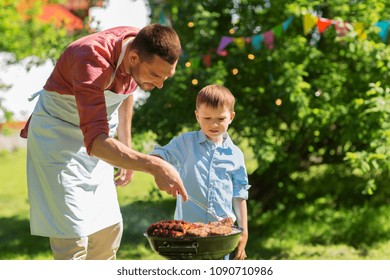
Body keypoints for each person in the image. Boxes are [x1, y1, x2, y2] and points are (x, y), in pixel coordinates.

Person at [20, 23, 188, 260]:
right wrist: (154, 165)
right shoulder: (90, 59)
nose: (160, 84)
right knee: (73, 238)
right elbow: (97, 143)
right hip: (57, 141)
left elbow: (129, 88)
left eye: (166, 77)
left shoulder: (138, 47)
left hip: (98, 137)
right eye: (155, 75)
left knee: (108, 232)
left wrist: (126, 151)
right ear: (132, 57)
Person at [150, 84, 250, 260]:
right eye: (207, 118)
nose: (214, 124)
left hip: (222, 237)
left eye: (220, 118)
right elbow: (161, 155)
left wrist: (244, 232)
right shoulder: (185, 143)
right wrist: (158, 166)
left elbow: (239, 195)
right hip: (187, 235)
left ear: (231, 117)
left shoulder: (235, 155)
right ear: (197, 116)